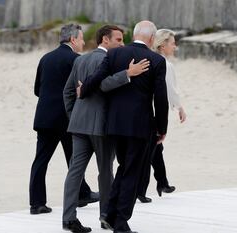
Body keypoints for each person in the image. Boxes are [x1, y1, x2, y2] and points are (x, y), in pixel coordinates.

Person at [79, 20, 169, 233]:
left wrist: (84, 91)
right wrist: (162, 128)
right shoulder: (156, 60)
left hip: (115, 124)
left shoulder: (114, 54)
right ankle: (121, 221)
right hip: (139, 125)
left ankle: (110, 214)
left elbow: (97, 79)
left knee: (123, 168)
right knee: (132, 172)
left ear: (134, 35)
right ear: (151, 38)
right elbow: (161, 99)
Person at [62, 25, 150, 233]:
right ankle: (106, 216)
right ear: (105, 40)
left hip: (79, 124)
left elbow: (68, 92)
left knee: (75, 171)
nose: (122, 44)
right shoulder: (109, 60)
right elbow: (102, 85)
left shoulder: (80, 59)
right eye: (118, 40)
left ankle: (68, 218)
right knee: (105, 171)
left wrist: (73, 116)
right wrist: (128, 73)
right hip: (101, 125)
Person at [30, 23, 98, 215]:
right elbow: (82, 90)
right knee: (75, 160)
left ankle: (37, 203)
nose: (84, 42)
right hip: (68, 118)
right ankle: (81, 194)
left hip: (44, 117)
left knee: (41, 160)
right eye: (82, 38)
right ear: (73, 39)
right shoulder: (76, 59)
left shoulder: (45, 58)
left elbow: (37, 90)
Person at [137, 29, 187, 203]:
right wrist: (179, 107)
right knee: (151, 149)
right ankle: (141, 190)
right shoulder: (164, 64)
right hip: (155, 111)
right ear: (163, 45)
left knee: (156, 148)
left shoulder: (147, 59)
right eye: (173, 43)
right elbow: (169, 90)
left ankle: (162, 182)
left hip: (144, 110)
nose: (175, 46)